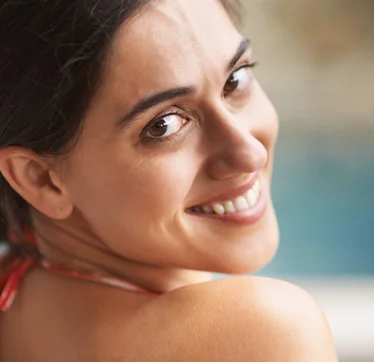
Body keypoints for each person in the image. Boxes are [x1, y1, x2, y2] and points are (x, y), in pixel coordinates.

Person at [0, 0, 338, 360]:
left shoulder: (21, 310)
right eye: (164, 125)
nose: (250, 153)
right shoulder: (262, 332)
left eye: (235, 80)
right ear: (40, 180)